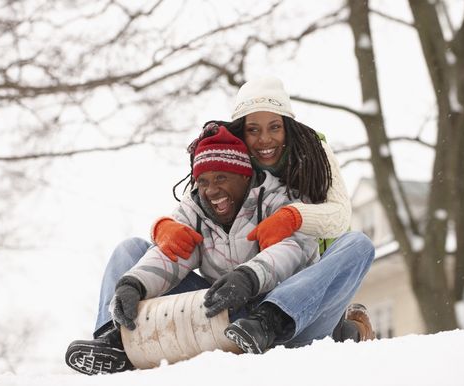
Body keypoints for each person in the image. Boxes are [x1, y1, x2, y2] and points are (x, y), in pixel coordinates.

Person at [159, 76, 375, 345]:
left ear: (288, 128)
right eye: (253, 130)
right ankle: (116, 340)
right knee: (134, 251)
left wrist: (293, 218)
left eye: (274, 127)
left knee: (358, 244)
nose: (264, 140)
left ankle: (283, 320)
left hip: (300, 287)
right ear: (241, 131)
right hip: (233, 298)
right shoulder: (228, 156)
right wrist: (165, 226)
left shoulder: (312, 152)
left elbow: (340, 216)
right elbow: (196, 203)